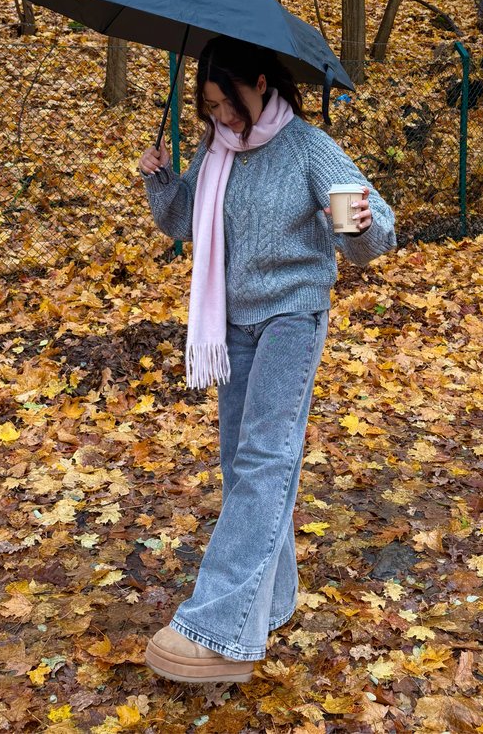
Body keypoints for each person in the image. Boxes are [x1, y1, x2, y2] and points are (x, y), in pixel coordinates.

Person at [138, 35, 396, 684]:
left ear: (260, 84)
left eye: (228, 104)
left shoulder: (310, 149)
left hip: (291, 317)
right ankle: (271, 601)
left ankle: (218, 629)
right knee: (242, 463)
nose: (220, 119)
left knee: (264, 459)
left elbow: (372, 239)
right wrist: (161, 180)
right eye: (209, 108)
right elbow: (183, 223)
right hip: (232, 320)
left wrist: (360, 224)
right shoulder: (216, 149)